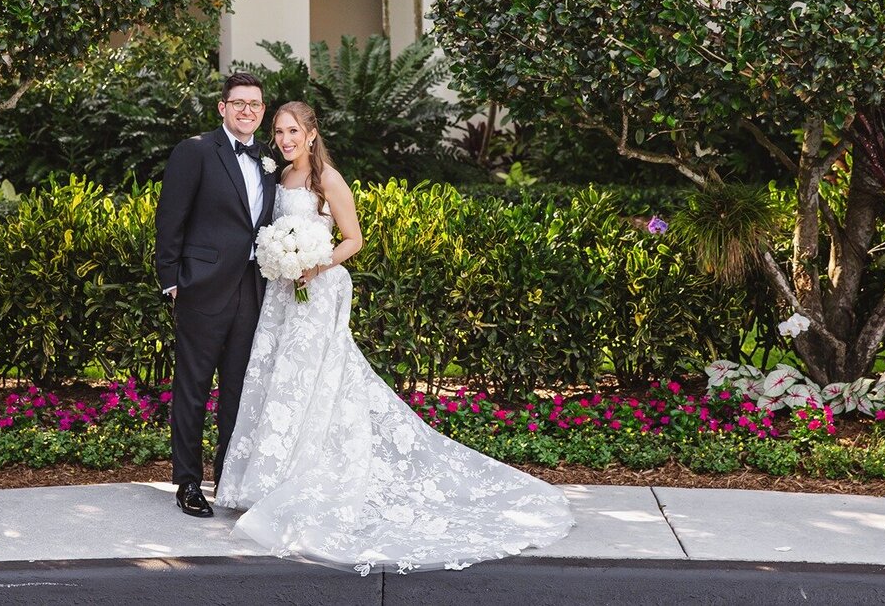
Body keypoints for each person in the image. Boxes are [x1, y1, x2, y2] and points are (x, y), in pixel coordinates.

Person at [214, 101, 574, 573]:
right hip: (282, 294)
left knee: (313, 377)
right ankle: (267, 480)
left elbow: (353, 239)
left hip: (318, 291)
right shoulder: (278, 179)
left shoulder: (329, 180)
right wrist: (281, 258)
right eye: (279, 132)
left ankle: (300, 476)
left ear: (312, 134)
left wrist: (312, 263)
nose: (284, 140)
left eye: (292, 131)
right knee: (279, 379)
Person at [154, 72, 276, 519]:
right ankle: (187, 482)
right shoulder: (196, 151)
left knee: (239, 390)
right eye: (238, 102)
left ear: (262, 112)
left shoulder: (269, 159)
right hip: (202, 286)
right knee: (193, 386)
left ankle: (227, 478)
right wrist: (172, 280)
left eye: (255, 104)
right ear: (222, 108)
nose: (247, 110)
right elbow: (171, 218)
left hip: (252, 287)